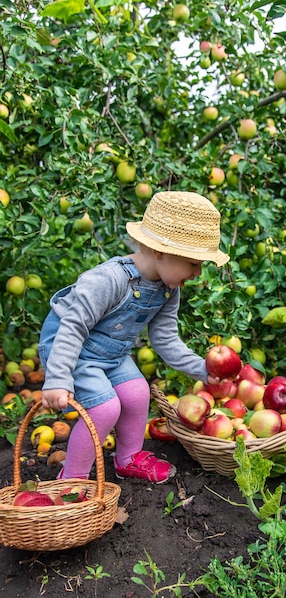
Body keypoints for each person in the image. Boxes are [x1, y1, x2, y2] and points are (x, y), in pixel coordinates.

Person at [39, 191, 229, 484]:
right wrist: (58, 378)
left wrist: (203, 370)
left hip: (111, 355)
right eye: (194, 263)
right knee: (105, 407)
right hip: (71, 350)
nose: (198, 273)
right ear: (161, 251)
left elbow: (165, 339)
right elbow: (72, 327)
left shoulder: (169, 289)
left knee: (138, 393)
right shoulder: (108, 280)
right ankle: (72, 480)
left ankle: (127, 458)